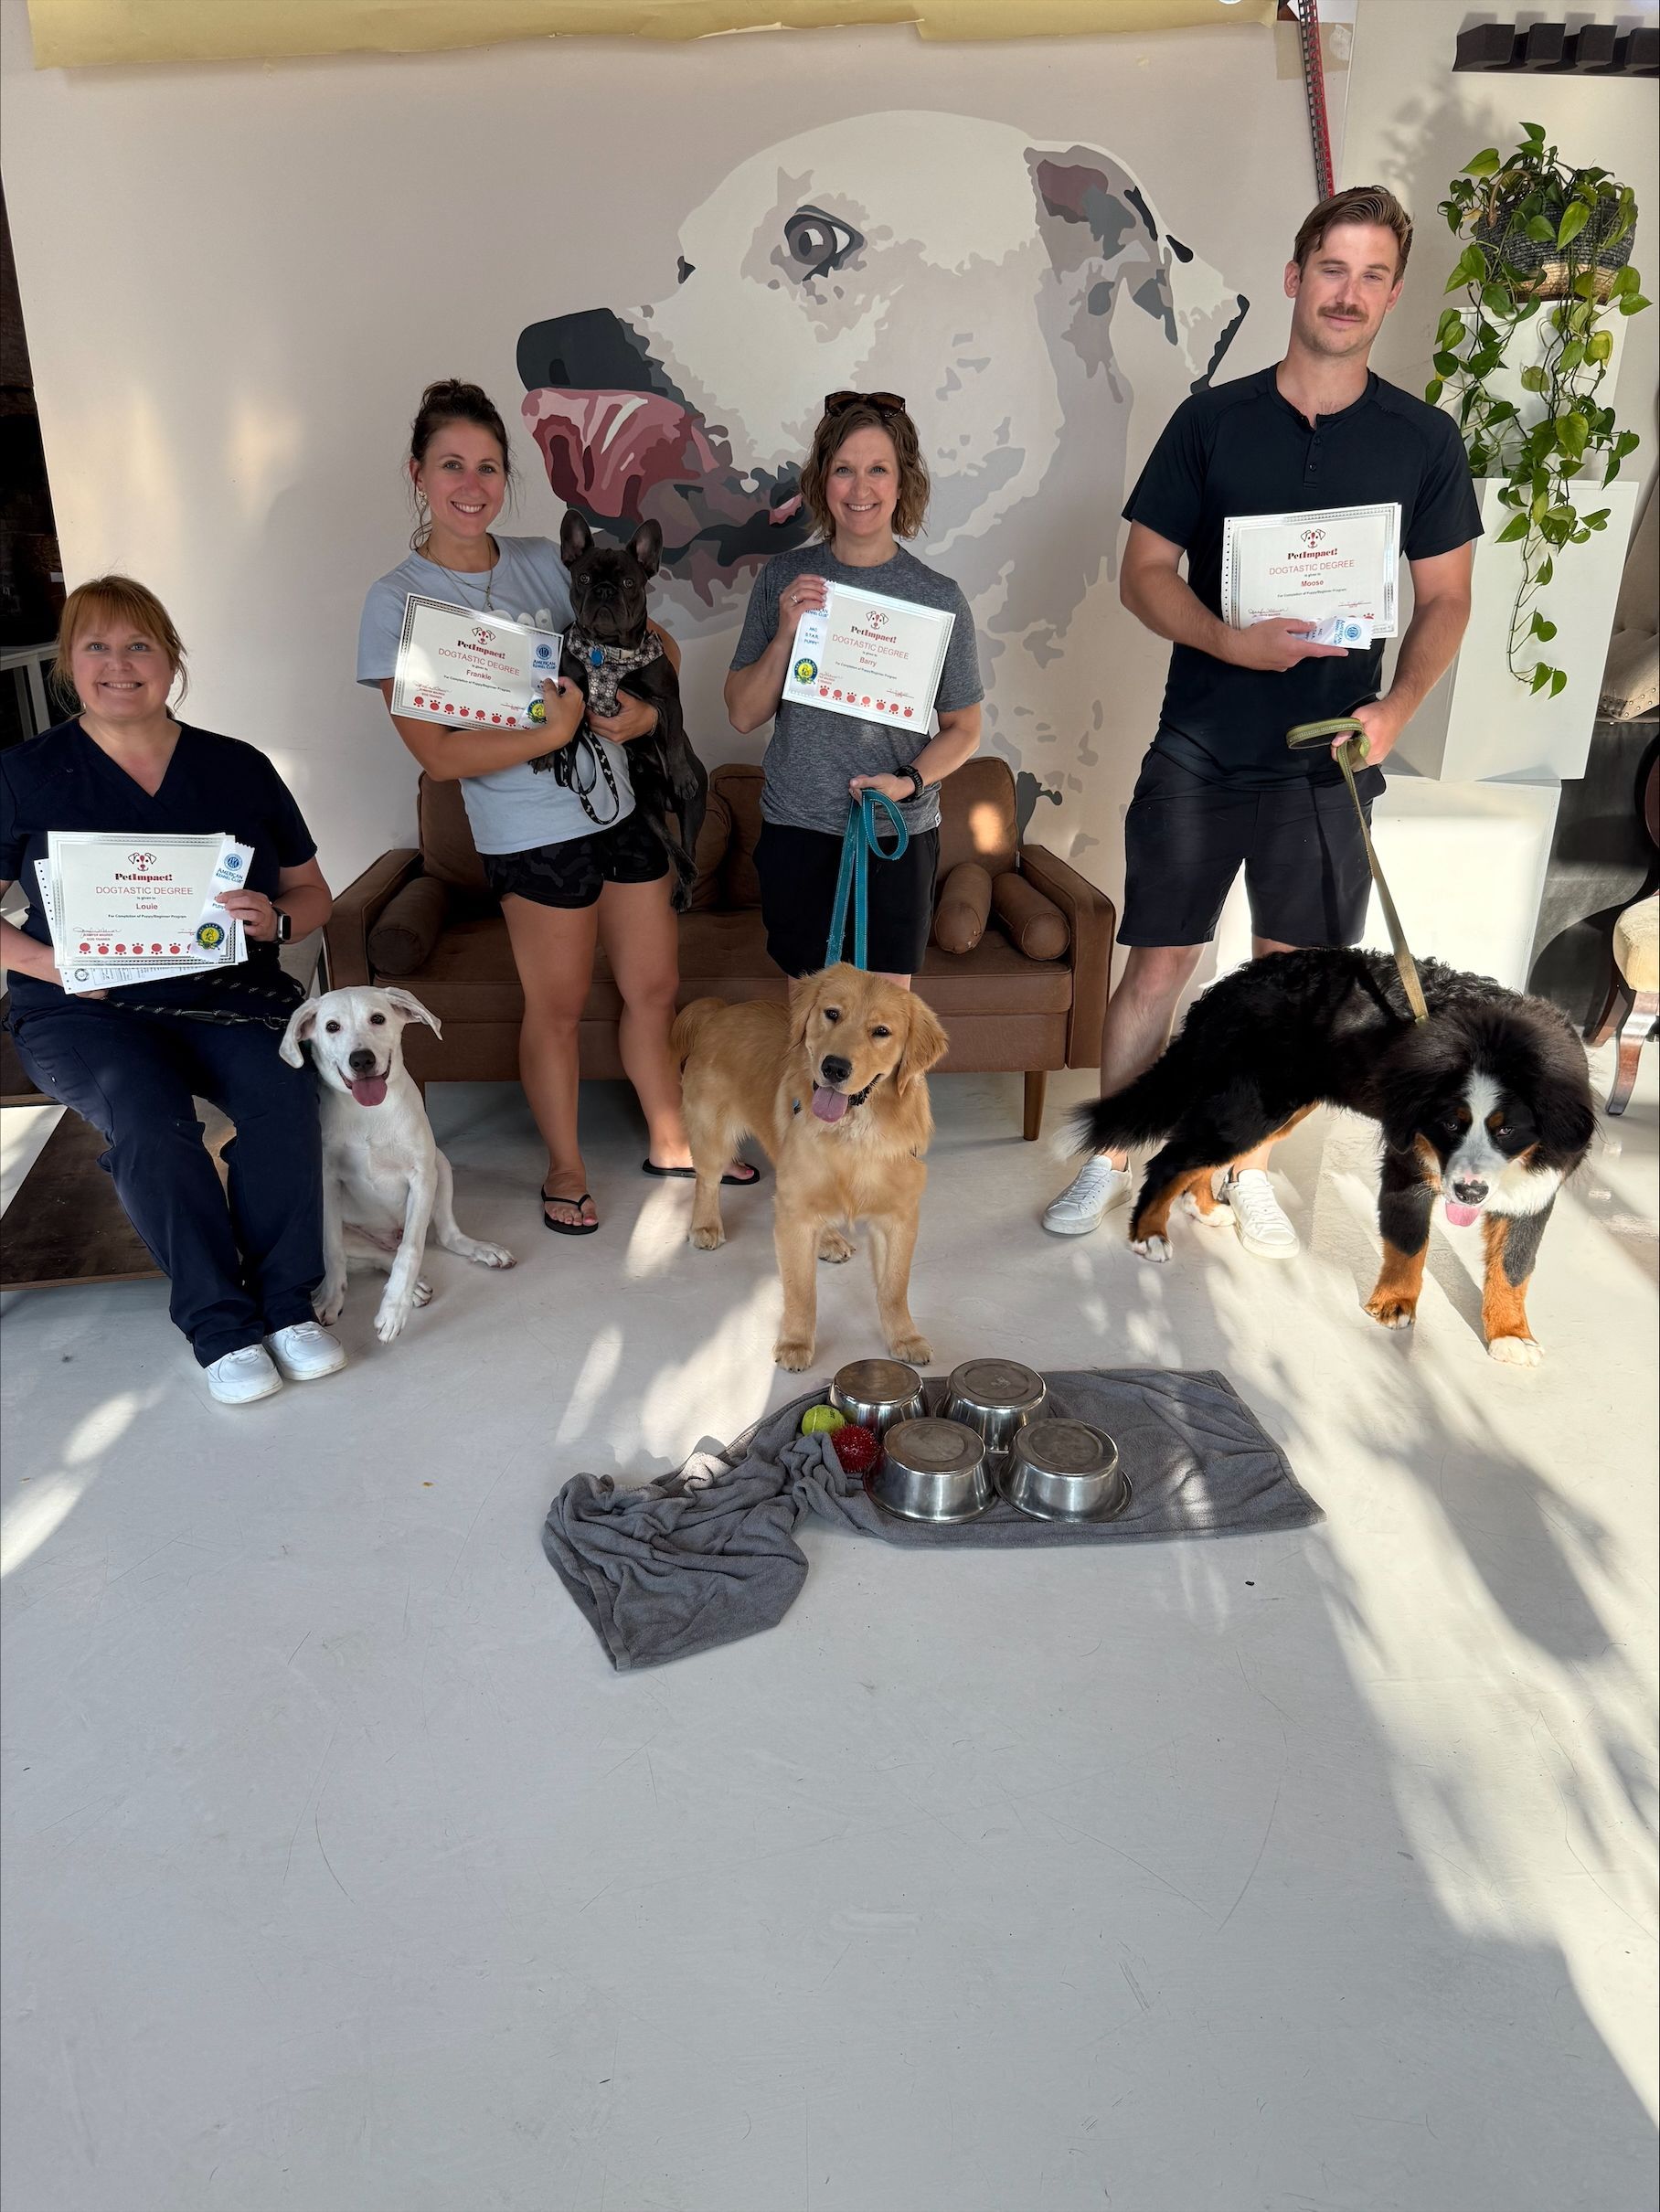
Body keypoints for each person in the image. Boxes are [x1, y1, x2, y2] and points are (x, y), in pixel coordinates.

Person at [1044, 185, 1482, 1258]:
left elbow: (1447, 597)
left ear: (1391, 294)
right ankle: (1116, 1156)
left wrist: (1395, 709)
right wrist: (1227, 640)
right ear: (1295, 277)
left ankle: (1242, 1172)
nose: (1350, 292)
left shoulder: (1421, 440)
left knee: (1296, 983)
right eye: (1332, 268)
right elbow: (1143, 573)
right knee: (1157, 965)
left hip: (1329, 761)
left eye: (1374, 274)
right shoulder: (1209, 421)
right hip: (1200, 745)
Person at [358, 378, 754, 1237]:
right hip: (530, 832)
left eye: (489, 467)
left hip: (625, 815)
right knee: (561, 1007)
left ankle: (669, 1134)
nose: (472, 484)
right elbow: (434, 753)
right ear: (418, 473)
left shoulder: (548, 557)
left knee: (653, 986)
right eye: (452, 465)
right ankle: (566, 1166)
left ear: (508, 477)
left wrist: (649, 712)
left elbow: (661, 641)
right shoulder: (397, 601)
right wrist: (552, 733)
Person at [0, 577, 344, 1405]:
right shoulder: (24, 774)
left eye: (139, 645)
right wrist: (51, 967)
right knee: (151, 1122)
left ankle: (287, 1302)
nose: (120, 665)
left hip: (224, 991)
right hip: (83, 1008)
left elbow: (313, 894)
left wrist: (276, 921)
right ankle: (220, 1324)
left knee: (282, 1095)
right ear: (67, 666)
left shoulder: (237, 767)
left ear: (172, 660)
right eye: (97, 647)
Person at [725, 392, 984, 986]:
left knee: (881, 1033)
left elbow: (964, 728)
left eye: (877, 469)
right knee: (811, 1026)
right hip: (799, 831)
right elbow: (742, 714)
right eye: (843, 468)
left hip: (895, 831)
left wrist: (908, 780)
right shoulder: (784, 580)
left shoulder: (937, 598)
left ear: (901, 482)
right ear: (822, 480)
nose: (859, 488)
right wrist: (787, 634)